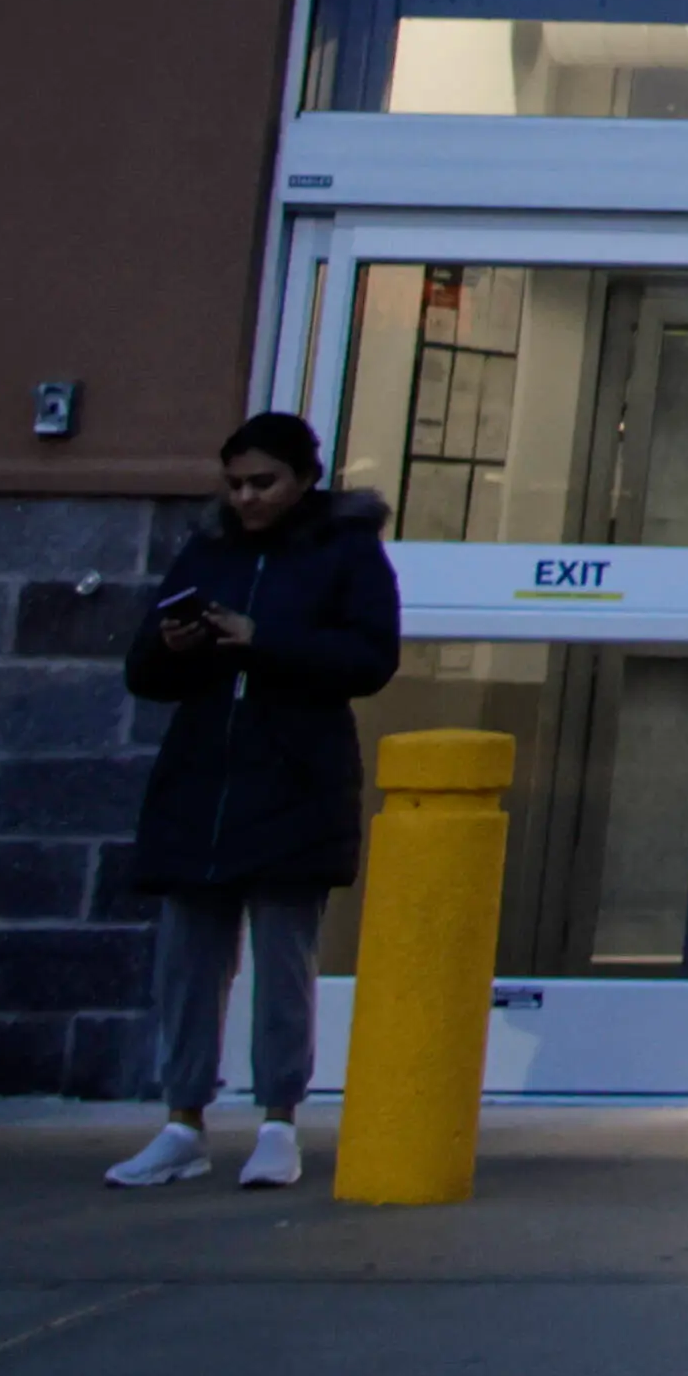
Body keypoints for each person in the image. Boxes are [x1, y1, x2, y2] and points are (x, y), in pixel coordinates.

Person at [105, 411, 402, 1193]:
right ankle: (182, 1119)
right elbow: (144, 669)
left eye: (263, 482)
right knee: (187, 961)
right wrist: (173, 647)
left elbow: (371, 659)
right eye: (235, 484)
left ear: (305, 477)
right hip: (203, 775)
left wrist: (261, 638)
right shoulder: (209, 549)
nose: (247, 498)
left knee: (282, 959)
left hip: (296, 773)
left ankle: (279, 1119)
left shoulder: (346, 551)